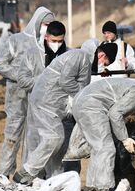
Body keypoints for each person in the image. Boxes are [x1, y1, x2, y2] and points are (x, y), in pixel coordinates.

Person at [67, 72, 135, 191]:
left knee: (98, 149)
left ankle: (93, 187)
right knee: (106, 149)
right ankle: (105, 189)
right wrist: (125, 139)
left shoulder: (133, 85)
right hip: (91, 106)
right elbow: (115, 114)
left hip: (81, 102)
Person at [17, 41, 101, 181]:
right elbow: (66, 81)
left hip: (55, 105)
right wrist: (82, 95)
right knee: (54, 137)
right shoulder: (80, 56)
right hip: (47, 103)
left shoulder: (81, 59)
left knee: (60, 146)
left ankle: (55, 180)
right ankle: (28, 171)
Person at [0, 5, 54, 175]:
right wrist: (21, 77)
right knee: (12, 136)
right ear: (37, 22)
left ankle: (28, 175)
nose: (47, 28)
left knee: (34, 138)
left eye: (50, 25)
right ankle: (4, 173)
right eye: (45, 24)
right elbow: (0, 64)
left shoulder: (50, 46)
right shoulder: (16, 40)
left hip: (39, 99)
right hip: (17, 98)